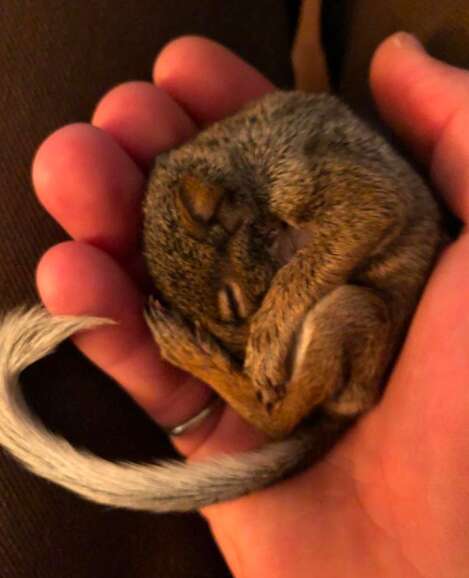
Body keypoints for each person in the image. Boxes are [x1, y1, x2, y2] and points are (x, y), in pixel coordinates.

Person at [32, 31, 469, 577]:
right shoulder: (242, 188)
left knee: (339, 315)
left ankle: (268, 409)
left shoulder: (291, 174)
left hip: (383, 325)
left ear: (223, 210)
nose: (251, 320)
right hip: (352, 380)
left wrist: (269, 320)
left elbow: (372, 212)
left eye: (237, 300)